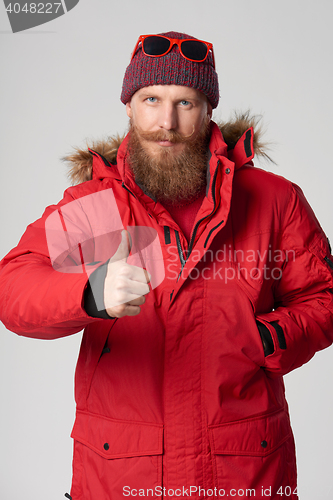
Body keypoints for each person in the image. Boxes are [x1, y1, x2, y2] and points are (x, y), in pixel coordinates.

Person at [0, 31, 333, 500]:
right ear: (129, 108)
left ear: (209, 110)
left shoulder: (273, 200)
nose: (166, 121)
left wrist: (267, 338)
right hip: (121, 475)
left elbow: (322, 296)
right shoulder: (96, 206)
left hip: (242, 470)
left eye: (186, 102)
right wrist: (89, 293)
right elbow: (12, 287)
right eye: (151, 98)